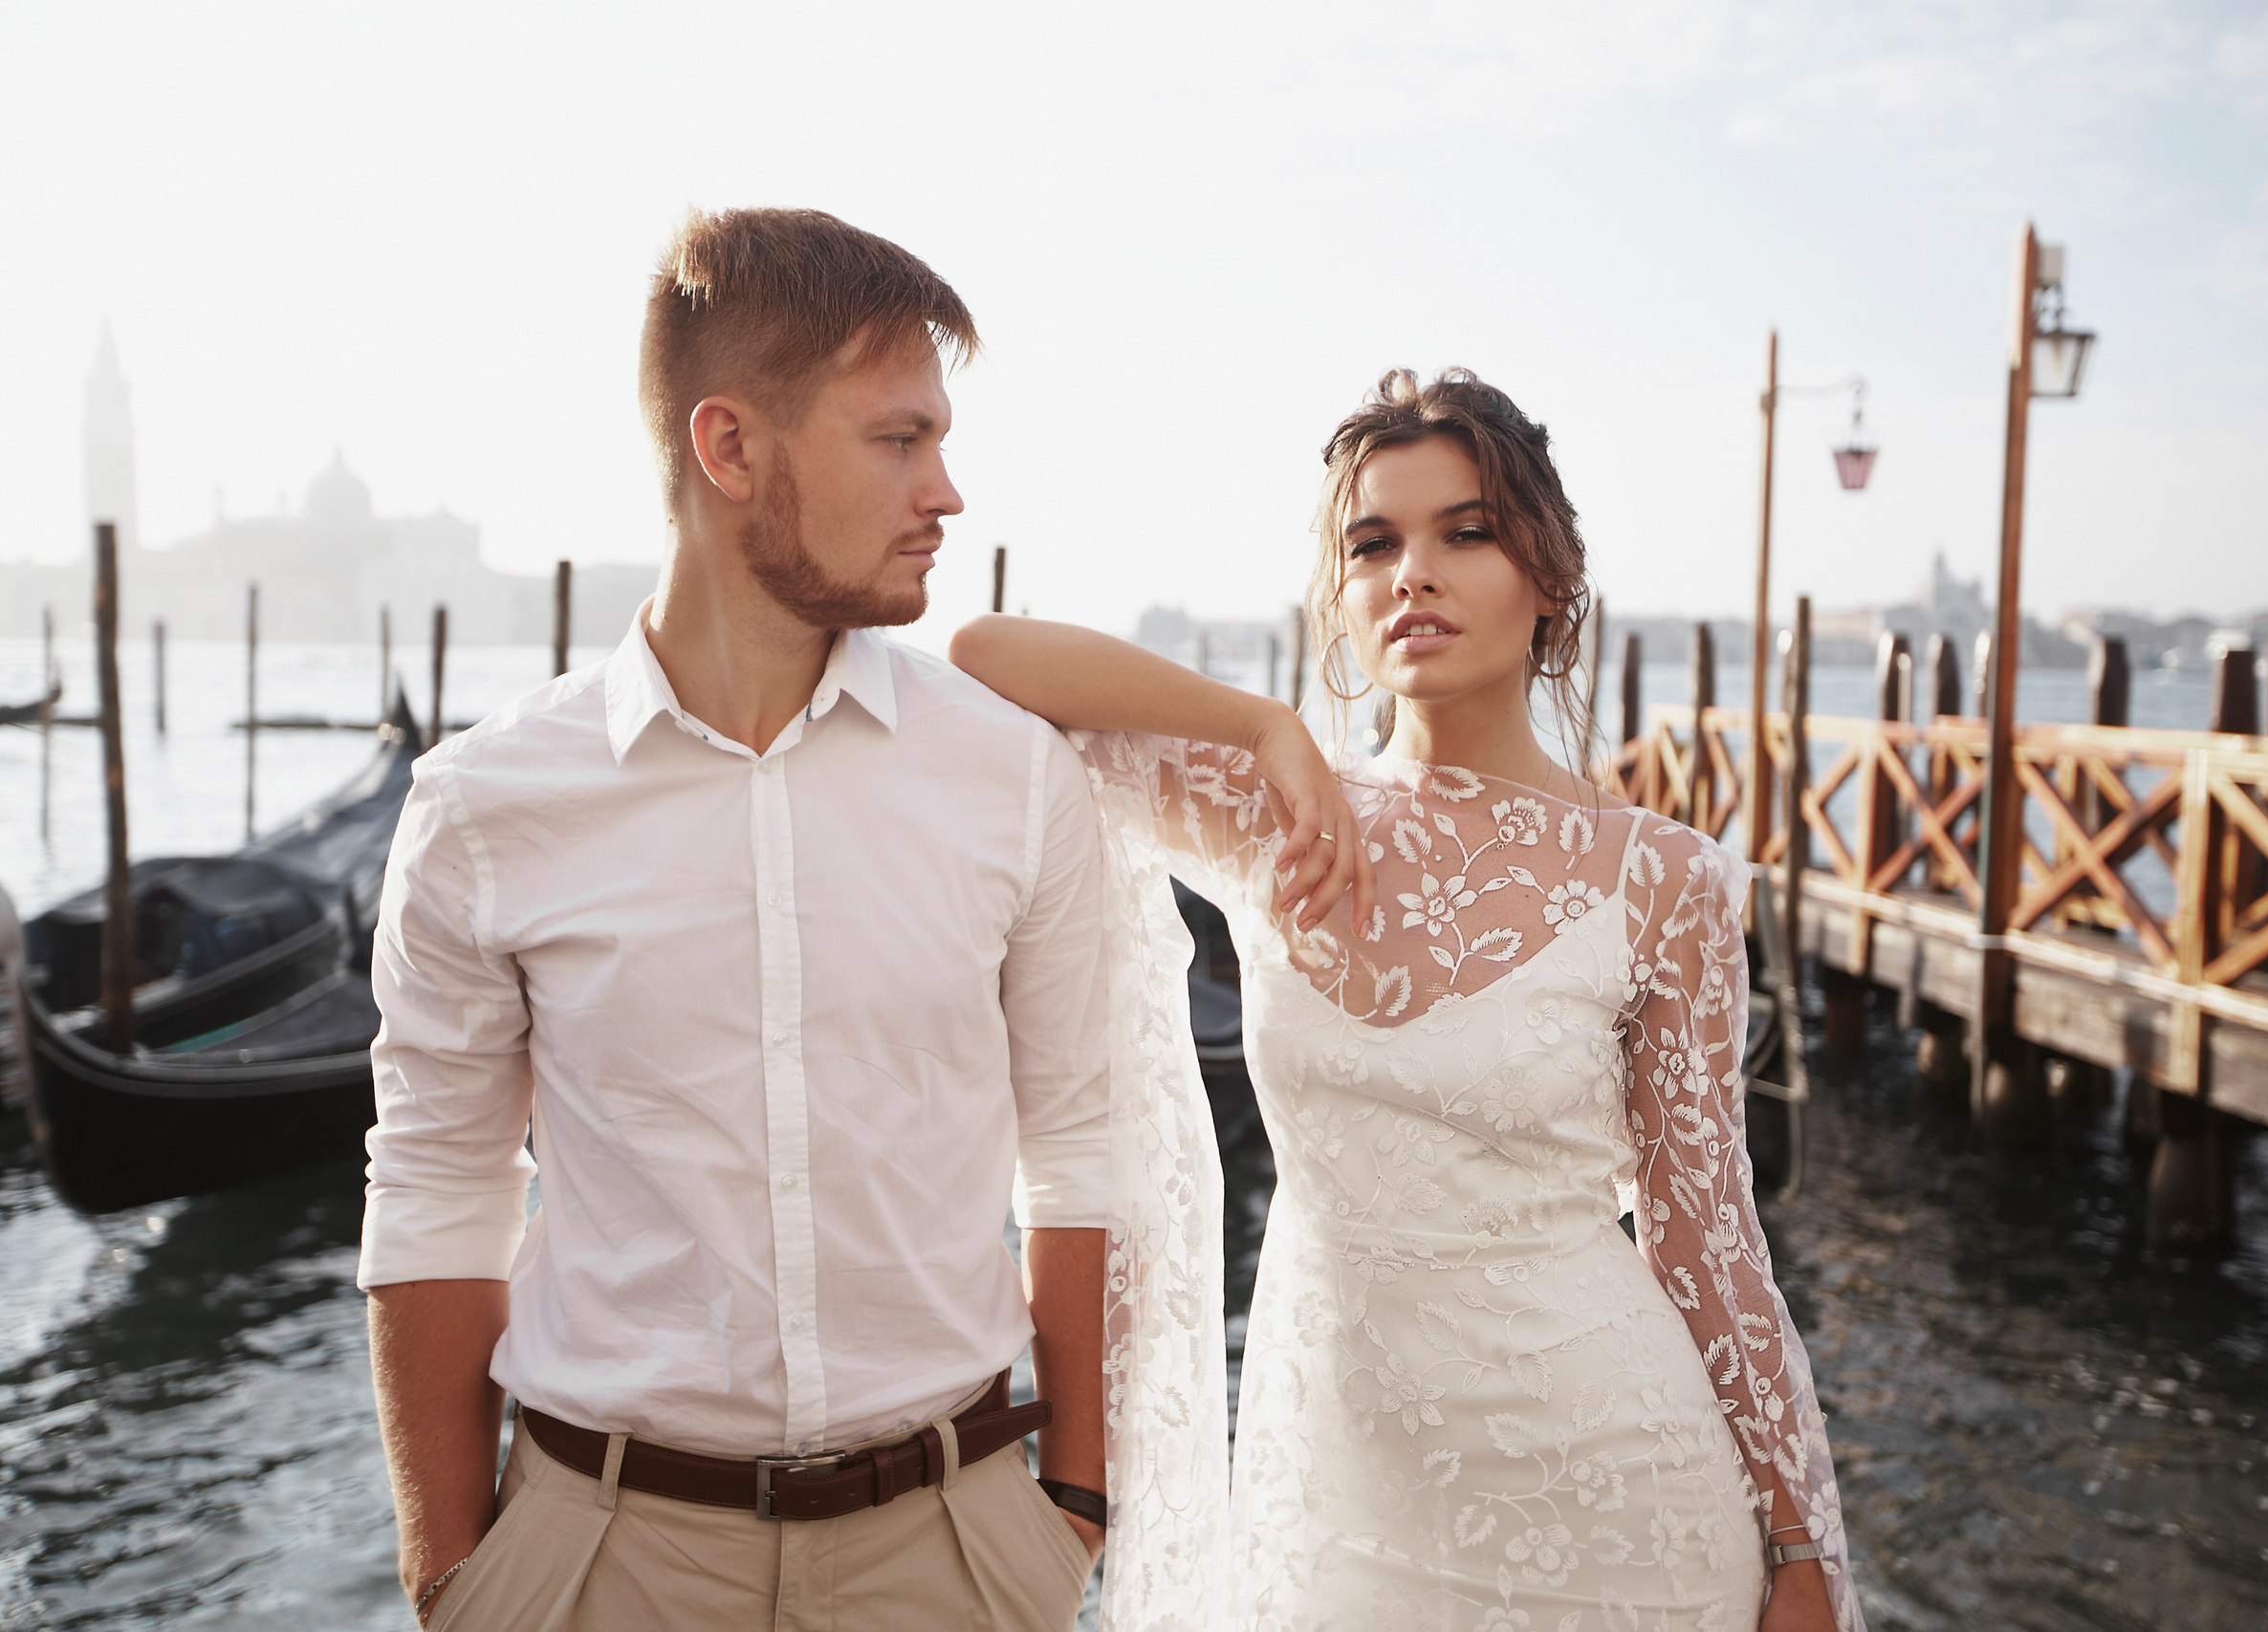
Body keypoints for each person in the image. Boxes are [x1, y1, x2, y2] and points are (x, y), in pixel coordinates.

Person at [949, 368, 1863, 1631]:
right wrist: (1262, 724)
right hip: (1336, 1505)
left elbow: (1706, 1239)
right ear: (1342, 599)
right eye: (1374, 545)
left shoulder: (1666, 881)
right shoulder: (1276, 815)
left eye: (1465, 533)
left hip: (1623, 1495)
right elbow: (985, 656)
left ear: (1551, 578)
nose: (1413, 574)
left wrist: (1797, 1541)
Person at [358, 208, 1125, 1632]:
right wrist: (453, 1577)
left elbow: (1079, 1156)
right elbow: (435, 1190)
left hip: (952, 1557)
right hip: (603, 1564)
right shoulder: (482, 808)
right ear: (730, 449)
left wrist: (1070, 1515)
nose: (945, 490)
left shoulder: (1014, 779)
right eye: (898, 440)